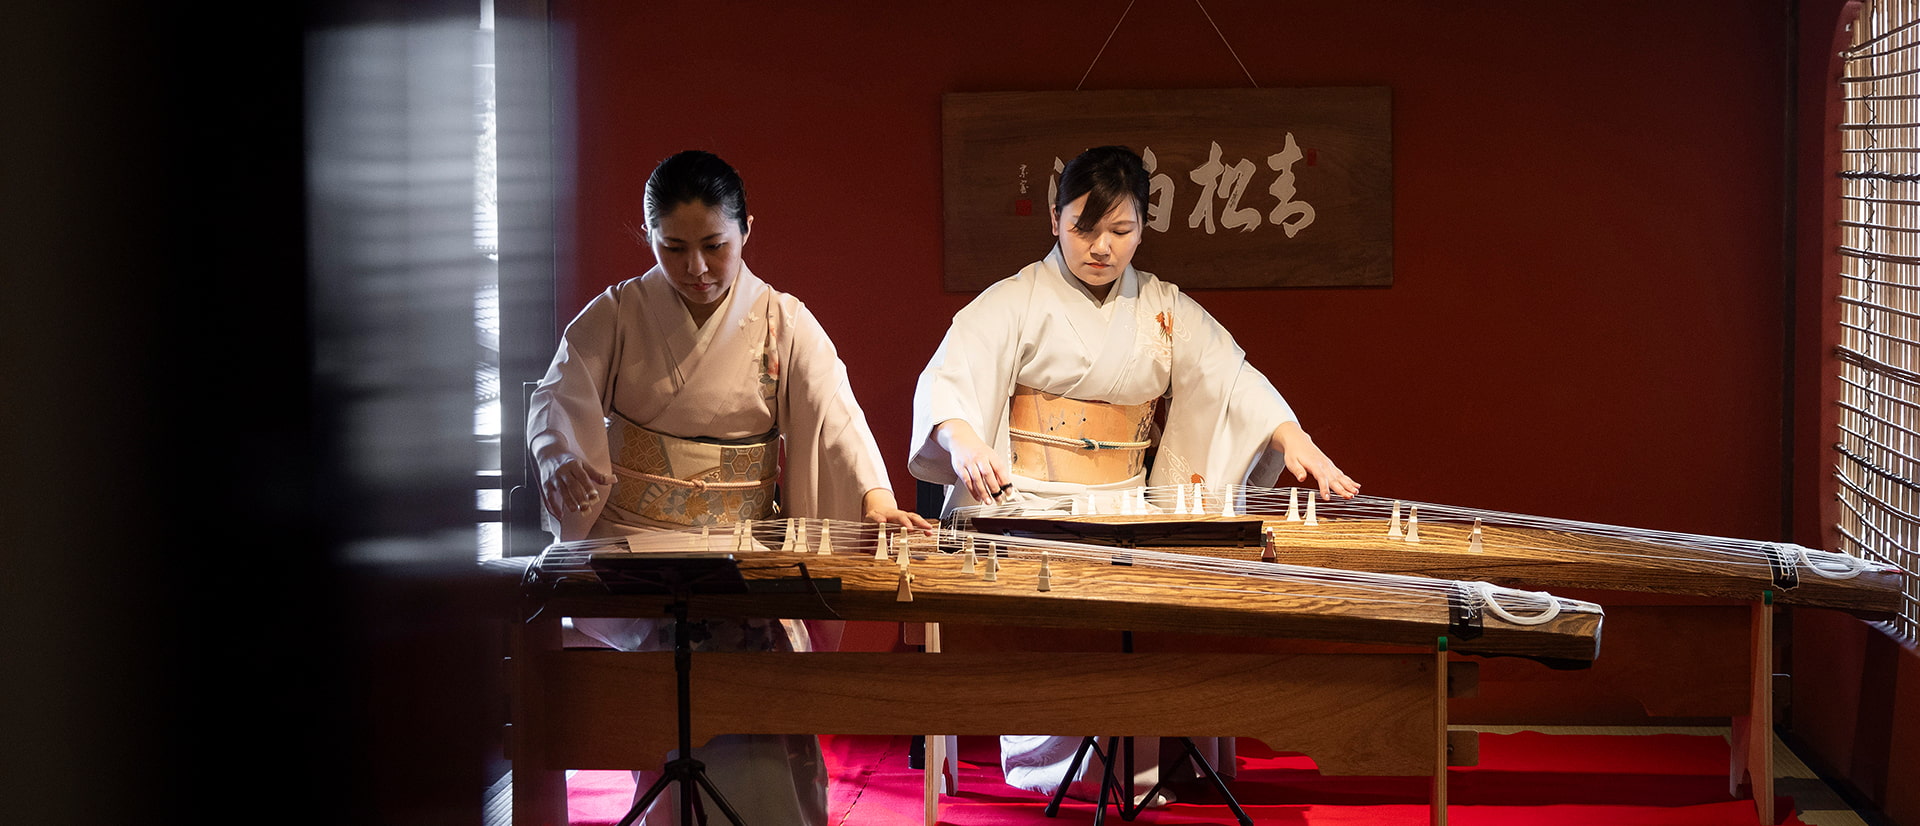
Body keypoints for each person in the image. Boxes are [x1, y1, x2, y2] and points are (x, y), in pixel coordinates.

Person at [909, 145, 1360, 802]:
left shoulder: (1162, 305)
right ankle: (1065, 764)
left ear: (1143, 228)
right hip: (1028, 501)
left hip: (1124, 502)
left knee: (1184, 577)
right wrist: (964, 442)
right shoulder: (1013, 301)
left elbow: (1228, 378)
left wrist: (1290, 435)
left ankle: (1146, 753)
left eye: (1121, 231)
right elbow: (947, 383)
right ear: (1053, 221)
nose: (1102, 248)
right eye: (1085, 228)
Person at [528, 149, 929, 825]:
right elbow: (555, 396)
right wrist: (561, 453)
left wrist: (876, 501)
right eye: (672, 248)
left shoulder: (782, 319)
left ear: (747, 231)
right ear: (649, 237)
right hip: (639, 546)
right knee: (670, 675)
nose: (696, 269)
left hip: (745, 546)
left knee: (761, 672)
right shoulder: (620, 313)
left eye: (715, 246)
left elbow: (836, 414)